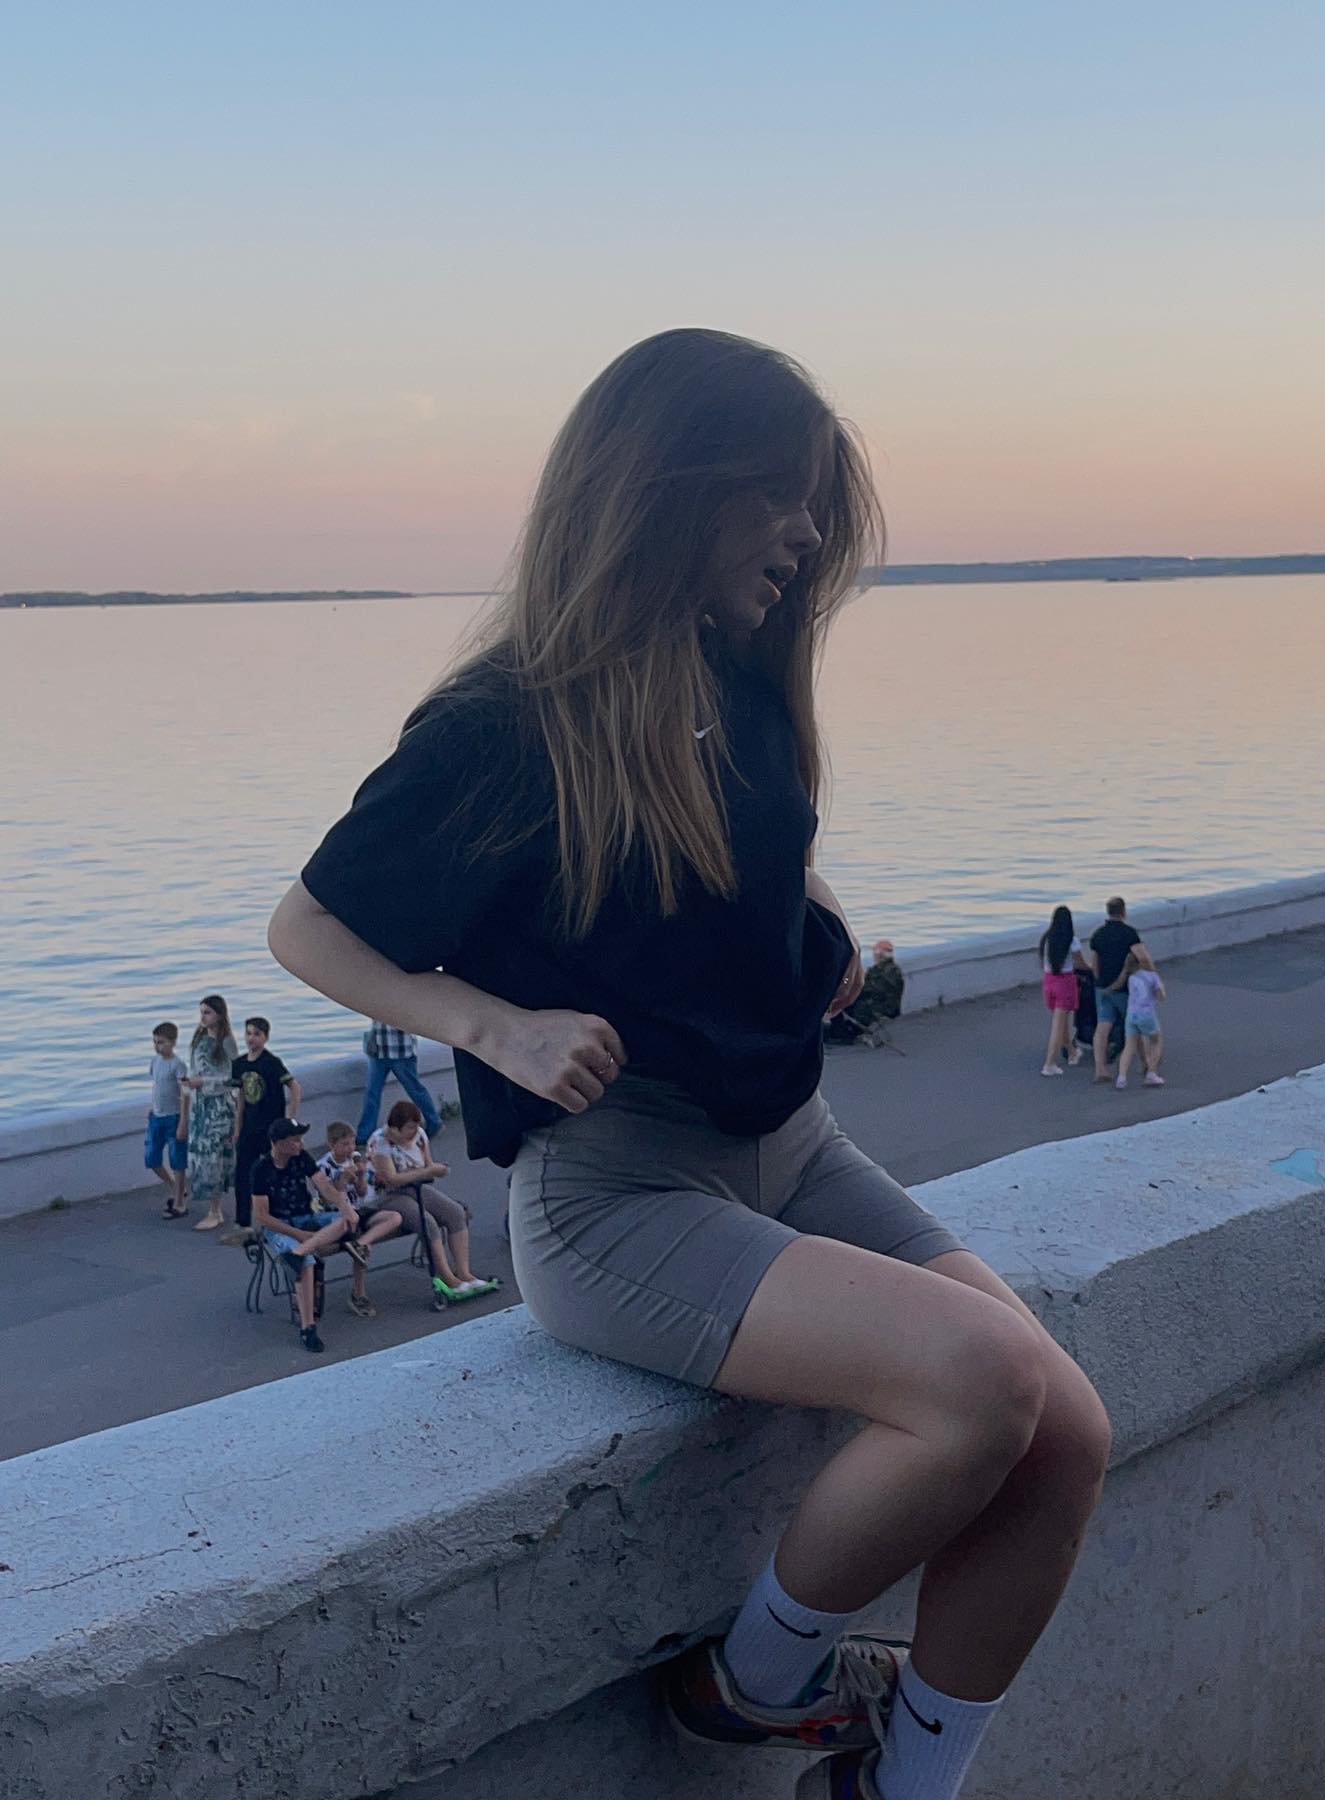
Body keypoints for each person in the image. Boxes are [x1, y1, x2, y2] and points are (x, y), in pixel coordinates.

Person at [270, 328, 1110, 1800]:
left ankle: (905, 1786)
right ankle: (751, 1684)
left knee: (1067, 1434)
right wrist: (496, 1027)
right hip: (618, 1196)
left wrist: (817, 920)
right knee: (982, 1384)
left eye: (815, 505)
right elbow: (308, 926)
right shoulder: (507, 722)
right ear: (664, 489)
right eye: (777, 495)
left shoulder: (740, 681)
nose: (805, 534)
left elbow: (744, 857)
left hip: (792, 1144)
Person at [251, 1119, 401, 1352]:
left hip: (306, 1217)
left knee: (344, 1221)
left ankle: (299, 1252)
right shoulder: (261, 1169)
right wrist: (298, 1233)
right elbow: (263, 1216)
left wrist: (344, 1206)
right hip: (280, 1225)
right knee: (307, 1263)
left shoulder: (301, 1157)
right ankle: (308, 1327)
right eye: (295, 1140)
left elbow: (324, 1186)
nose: (301, 1144)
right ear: (279, 1144)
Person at [366, 1102, 493, 1299]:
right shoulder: (380, 1142)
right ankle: (447, 1278)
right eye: (409, 1128)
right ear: (395, 1129)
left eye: (416, 1126)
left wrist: (437, 1170)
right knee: (428, 1223)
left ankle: (464, 1272)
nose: (414, 1132)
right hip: (389, 1195)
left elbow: (428, 1165)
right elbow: (392, 1179)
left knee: (455, 1213)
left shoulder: (419, 1135)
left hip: (417, 1187)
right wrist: (427, 1172)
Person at [224, 1016, 303, 1246]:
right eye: (248, 1033)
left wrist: (290, 1119)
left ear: (266, 1037)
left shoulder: (272, 1062)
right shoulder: (239, 1064)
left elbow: (294, 1086)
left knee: (274, 1172)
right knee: (243, 1174)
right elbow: (240, 1099)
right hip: (249, 1128)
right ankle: (243, 1222)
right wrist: (237, 1127)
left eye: (257, 1034)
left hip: (271, 1129)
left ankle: (279, 1220)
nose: (251, 1038)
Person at [315, 1121, 397, 1318]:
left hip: (359, 1210)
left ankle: (361, 1244)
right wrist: (343, 1180)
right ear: (332, 1144)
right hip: (338, 1216)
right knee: (356, 1232)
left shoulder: (354, 1160)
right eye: (344, 1144)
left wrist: (360, 1177)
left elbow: (362, 1193)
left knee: (394, 1217)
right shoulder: (322, 1166)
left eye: (352, 1143)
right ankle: (358, 1294)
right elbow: (326, 1199)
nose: (350, 1148)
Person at [178, 994, 239, 1232]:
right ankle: (213, 1208)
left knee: (215, 1157)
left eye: (208, 1012)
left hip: (219, 1108)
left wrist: (203, 1082)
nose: (203, 1017)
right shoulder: (199, 1040)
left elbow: (233, 1078)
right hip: (200, 1106)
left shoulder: (226, 1042)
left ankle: (215, 1210)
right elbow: (194, 1071)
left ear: (219, 1015)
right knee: (202, 1157)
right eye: (201, 1012)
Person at [356, 1020, 442, 1144]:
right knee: (372, 1093)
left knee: (415, 1090)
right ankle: (365, 1135)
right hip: (378, 1047)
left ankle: (434, 1122)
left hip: (401, 1050)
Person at [1087, 896, 1143, 1084]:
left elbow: (1095, 963)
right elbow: (1140, 957)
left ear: (1108, 911)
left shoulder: (1098, 934)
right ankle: (1146, 1063)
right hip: (1124, 988)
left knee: (1103, 1026)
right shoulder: (1130, 934)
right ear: (1123, 911)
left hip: (1102, 987)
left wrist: (1099, 982)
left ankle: (1100, 1068)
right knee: (1135, 1024)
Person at [144, 1021, 189, 1216]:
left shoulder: (178, 1065)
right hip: (157, 1116)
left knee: (177, 1160)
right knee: (151, 1158)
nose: (157, 1046)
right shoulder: (155, 1062)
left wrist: (183, 1121)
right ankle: (175, 1186)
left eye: (161, 1042)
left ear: (173, 1042)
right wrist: (153, 1107)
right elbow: (157, 1086)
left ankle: (179, 1203)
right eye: (155, 1042)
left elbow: (184, 1093)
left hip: (173, 1117)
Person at [823, 939, 905, 1046]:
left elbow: (868, 989)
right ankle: (843, 1028)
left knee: (840, 1002)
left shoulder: (883, 971)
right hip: (887, 1006)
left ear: (879, 954)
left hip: (880, 1009)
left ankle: (840, 1033)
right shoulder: (892, 969)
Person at [1037, 906, 1087, 1077]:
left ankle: (1072, 1052)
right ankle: (1049, 1064)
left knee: (1062, 1021)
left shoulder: (1046, 939)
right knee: (1058, 1026)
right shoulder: (1071, 941)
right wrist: (1092, 968)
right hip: (1065, 983)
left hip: (1048, 981)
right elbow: (1080, 963)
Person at [1109, 946, 1167, 1091]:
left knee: (1129, 1047)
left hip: (1131, 1015)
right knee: (1156, 1040)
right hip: (1146, 1014)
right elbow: (1161, 997)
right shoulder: (1152, 976)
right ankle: (1152, 1073)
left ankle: (1121, 1077)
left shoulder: (1131, 977)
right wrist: (1160, 987)